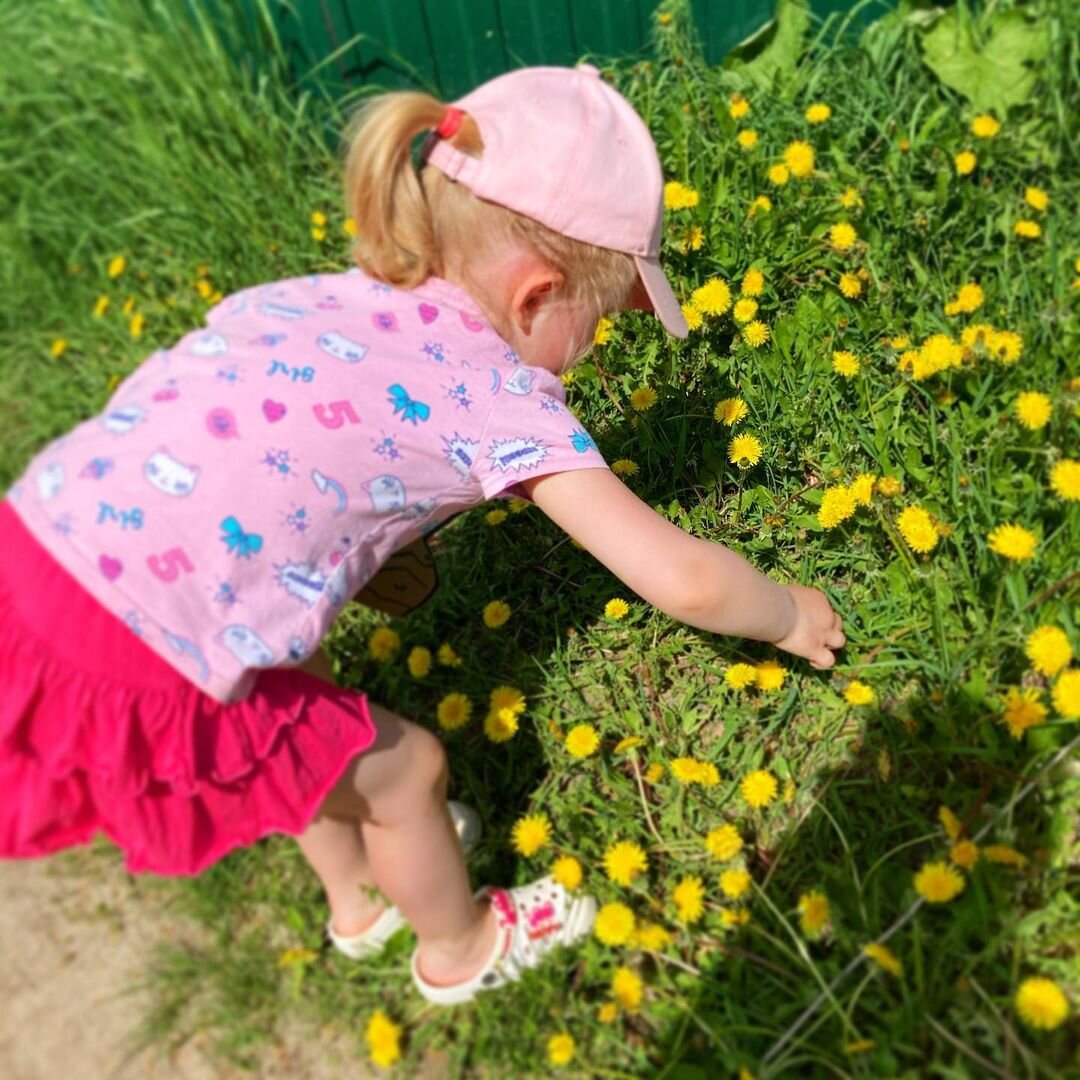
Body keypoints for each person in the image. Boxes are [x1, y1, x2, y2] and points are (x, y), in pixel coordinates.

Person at [0, 65, 844, 1005]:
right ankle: (460, 946)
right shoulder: (490, 393)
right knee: (409, 776)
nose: (599, 345)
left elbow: (264, 460)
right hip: (146, 648)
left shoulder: (322, 296)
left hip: (44, 544)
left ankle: (357, 901)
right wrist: (787, 614)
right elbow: (680, 578)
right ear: (537, 295)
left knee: (292, 690)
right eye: (602, 319)